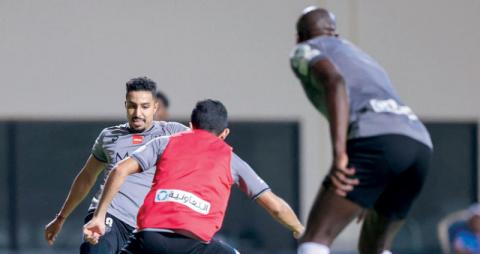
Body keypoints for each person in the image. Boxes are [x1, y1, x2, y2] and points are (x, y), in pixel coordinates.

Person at [290, 7, 433, 254]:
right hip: (419, 144)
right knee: (375, 246)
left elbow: (334, 81)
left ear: (299, 37)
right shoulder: (360, 55)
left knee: (316, 237)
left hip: (376, 140)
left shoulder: (306, 49)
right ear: (335, 34)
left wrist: (340, 154)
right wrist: (375, 181)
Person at [83, 99, 305, 254]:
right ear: (224, 134)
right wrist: (299, 229)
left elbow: (120, 169)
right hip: (192, 245)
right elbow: (275, 206)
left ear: (190, 126)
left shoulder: (165, 142)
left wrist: (99, 217)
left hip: (147, 239)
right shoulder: (230, 159)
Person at [44, 77, 188, 253]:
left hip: (148, 228)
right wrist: (61, 218)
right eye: (132, 106)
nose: (137, 113)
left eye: (144, 106)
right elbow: (87, 177)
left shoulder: (172, 132)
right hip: (109, 216)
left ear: (155, 107)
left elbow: (207, 146)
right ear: (125, 105)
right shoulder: (109, 136)